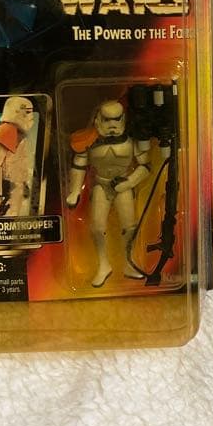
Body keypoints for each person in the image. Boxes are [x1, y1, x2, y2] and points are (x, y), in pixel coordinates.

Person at [66, 100, 152, 287]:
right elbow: (79, 165)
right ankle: (103, 265)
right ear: (97, 120)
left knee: (130, 226)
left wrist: (130, 182)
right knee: (97, 227)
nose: (112, 125)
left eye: (116, 119)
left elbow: (145, 166)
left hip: (124, 185)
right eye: (107, 120)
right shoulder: (89, 141)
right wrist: (75, 191)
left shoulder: (132, 140)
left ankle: (129, 262)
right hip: (101, 185)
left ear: (123, 119)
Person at [0, 96, 36, 217]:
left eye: (31, 112)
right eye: (27, 112)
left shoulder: (19, 134)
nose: (31, 116)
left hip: (18, 183)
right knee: (7, 215)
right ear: (15, 112)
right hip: (8, 185)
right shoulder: (5, 133)